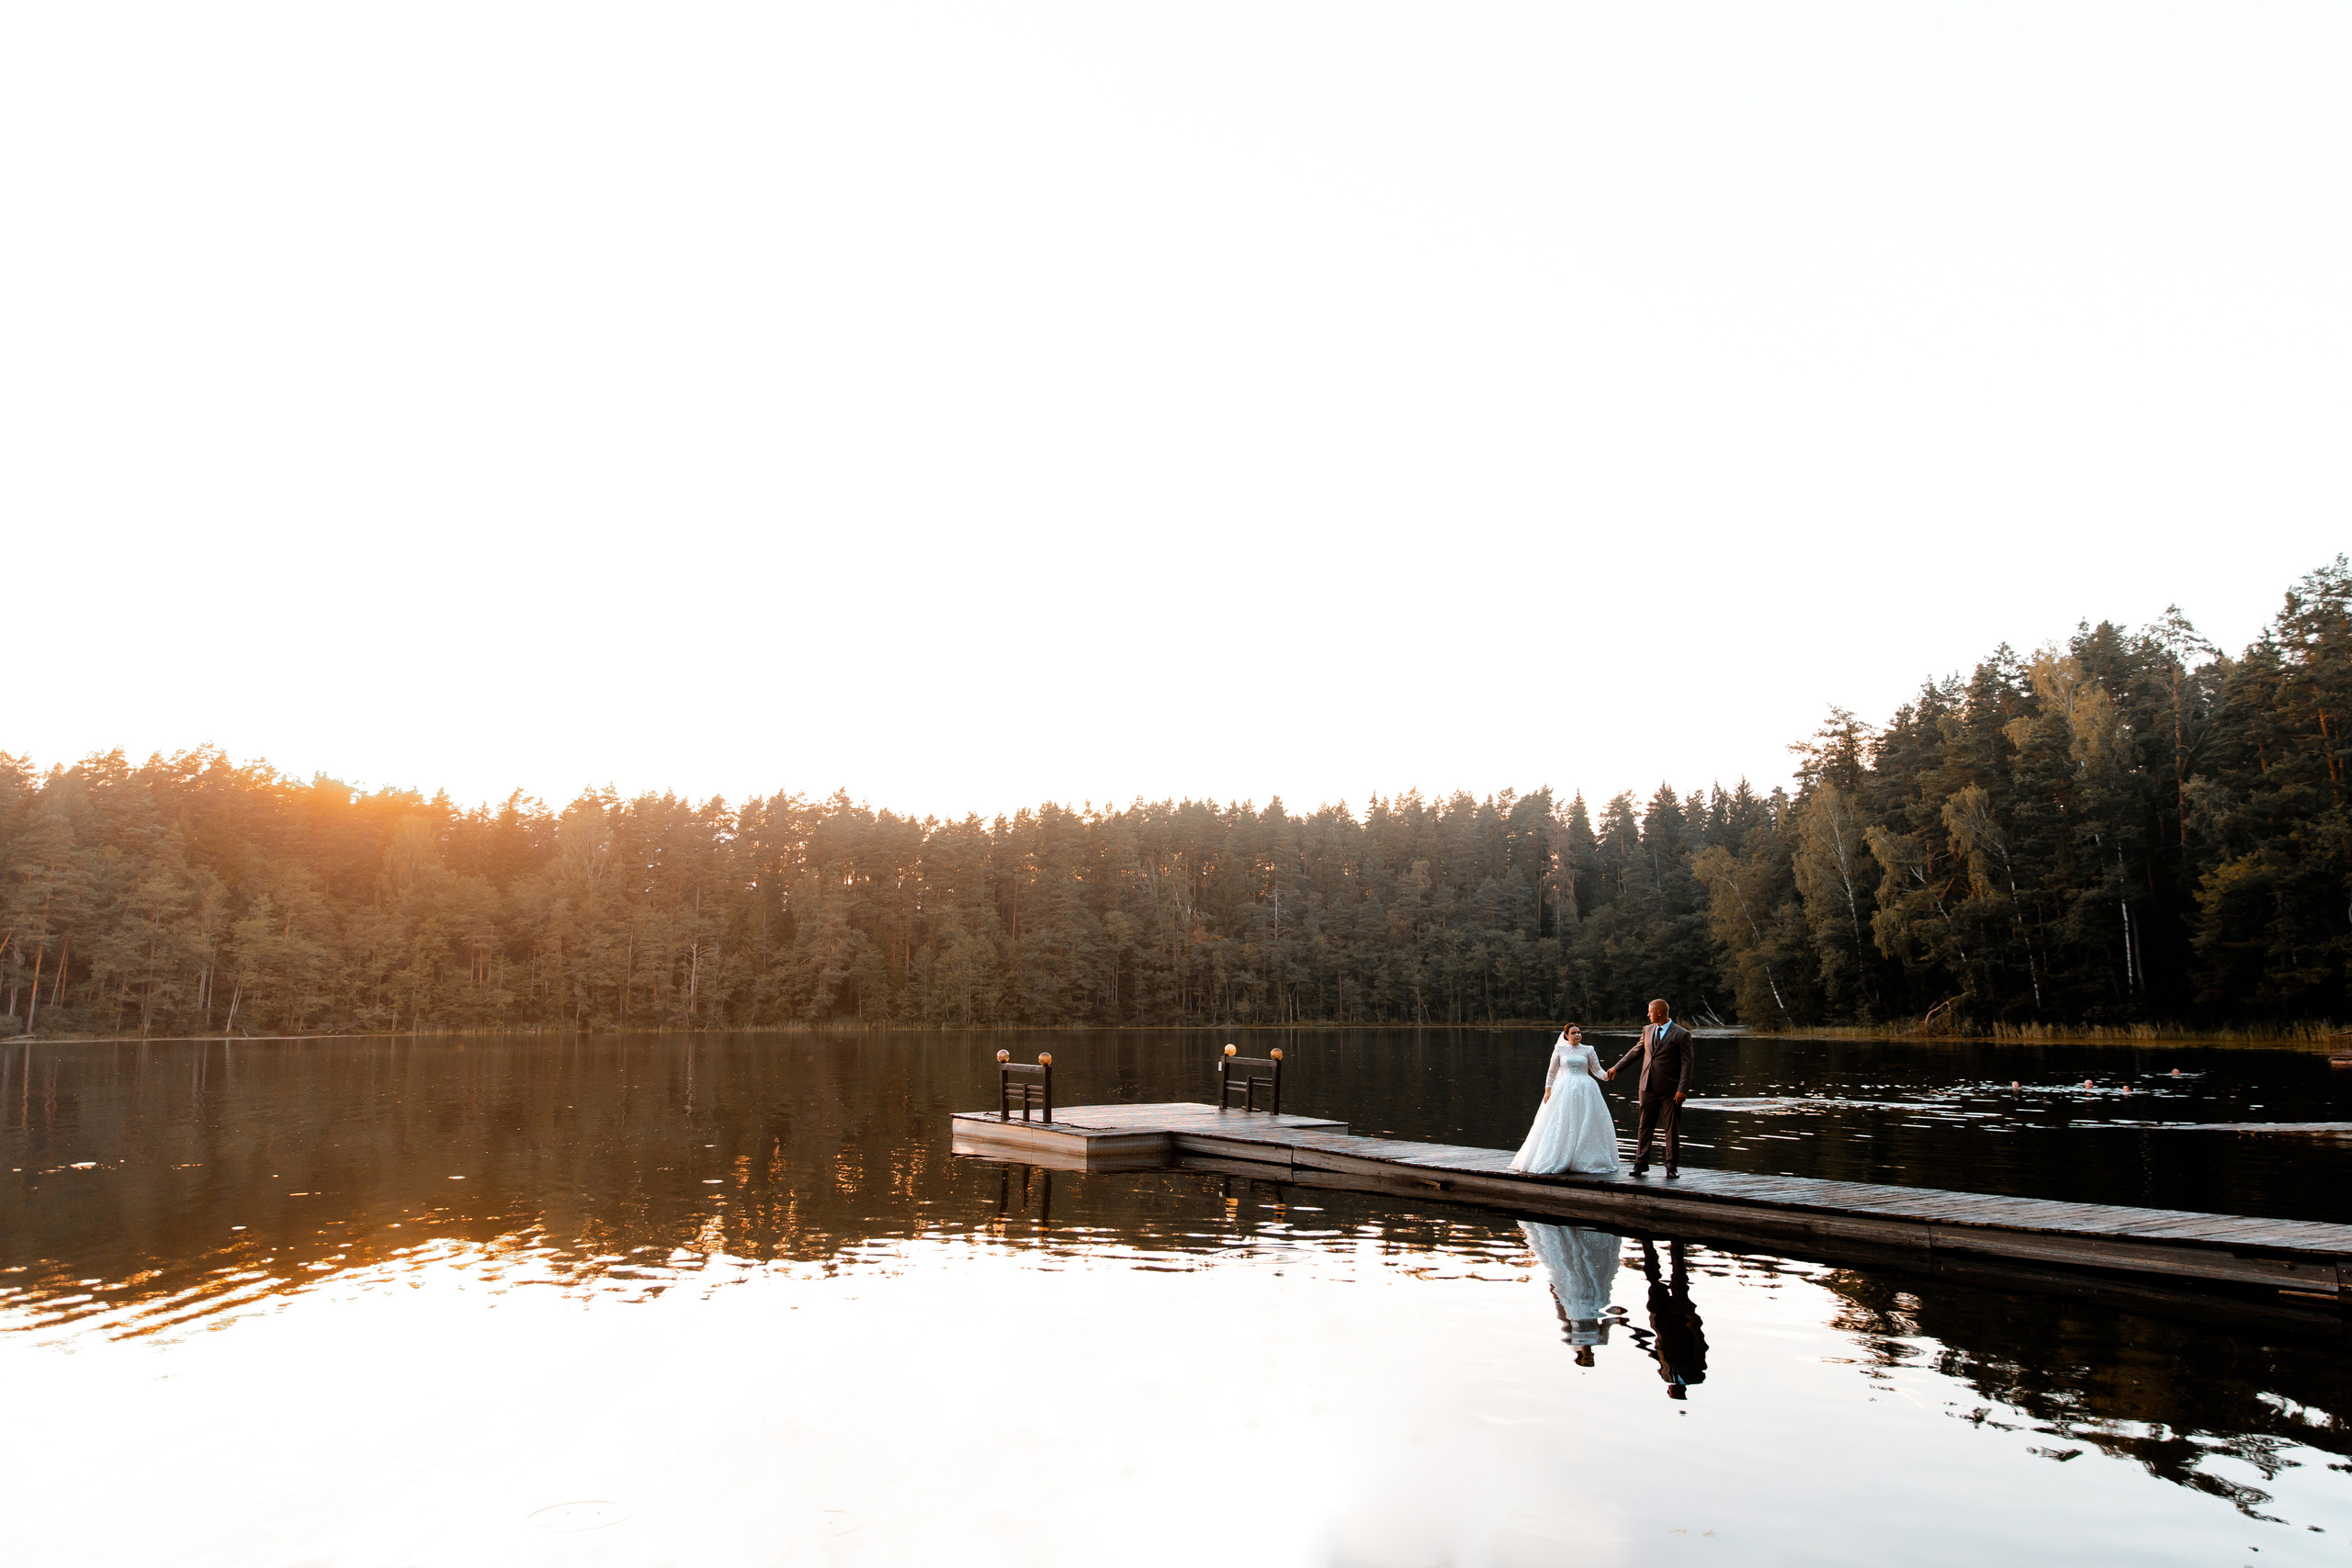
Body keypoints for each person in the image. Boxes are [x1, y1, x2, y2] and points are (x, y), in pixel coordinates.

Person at [1507, 1024, 1622, 1176]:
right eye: (1573, 1033)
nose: (1577, 1035)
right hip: (1564, 1088)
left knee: (1585, 1122)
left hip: (1585, 1089)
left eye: (1579, 1032)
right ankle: (1560, 1155)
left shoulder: (1588, 1050)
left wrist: (1607, 1075)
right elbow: (1552, 1071)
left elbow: (1596, 1070)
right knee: (1561, 1120)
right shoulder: (1560, 1050)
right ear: (1566, 1035)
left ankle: (1582, 1158)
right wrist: (1548, 1090)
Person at [1521, 1221, 1629, 1366]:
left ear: (1580, 1357)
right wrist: (1618, 1318)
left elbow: (1563, 1317)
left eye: (1587, 1359)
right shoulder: (1601, 1340)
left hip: (1572, 1302)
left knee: (1573, 1274)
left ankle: (1574, 1236)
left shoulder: (1571, 1338)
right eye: (1591, 1359)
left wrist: (1556, 1295)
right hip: (1595, 1302)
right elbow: (1606, 1322)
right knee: (1594, 1274)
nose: (1590, 1356)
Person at [1610, 998, 1694, 1178]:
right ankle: (1641, 1164)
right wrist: (1617, 1067)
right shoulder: (1647, 1030)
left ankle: (1671, 1167)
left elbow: (1687, 1064)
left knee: (1671, 1129)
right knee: (1644, 1126)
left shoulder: (1681, 1034)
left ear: (1660, 1012)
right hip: (1647, 1086)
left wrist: (1682, 1089)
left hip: (1671, 1090)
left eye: (1650, 1011)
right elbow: (1636, 1051)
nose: (1647, 1014)